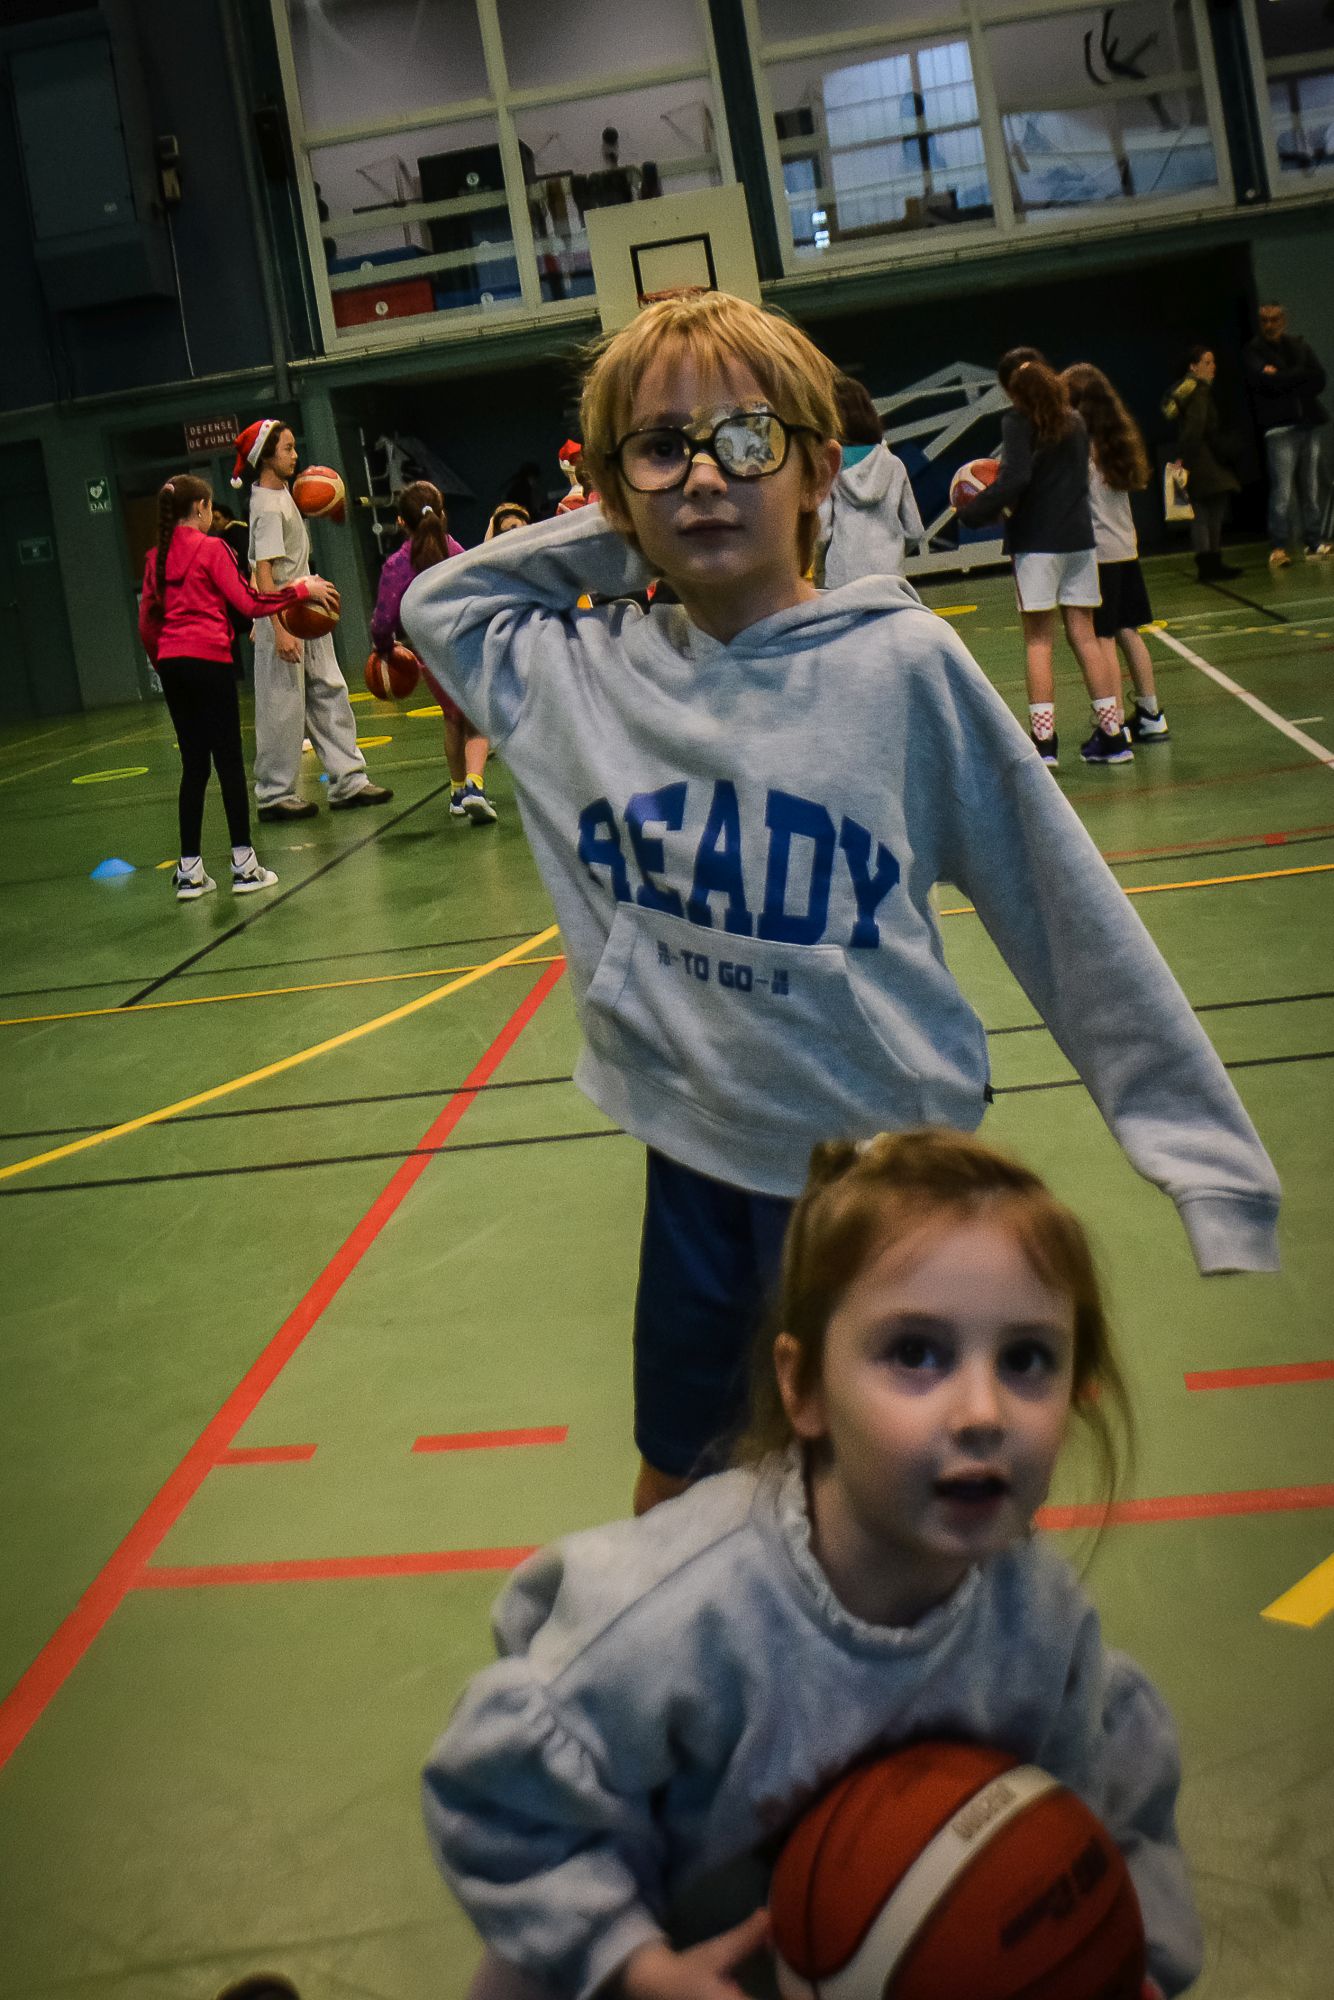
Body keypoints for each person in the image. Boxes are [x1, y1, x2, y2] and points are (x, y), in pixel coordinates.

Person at [402, 289, 1280, 1518]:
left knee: (898, 1492)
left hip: (884, 1171)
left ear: (818, 469)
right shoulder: (576, 681)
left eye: (745, 440)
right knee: (680, 1480)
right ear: (609, 488)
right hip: (696, 1160)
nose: (705, 474)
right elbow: (435, 607)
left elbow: (1063, 912)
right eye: (662, 448)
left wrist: (1206, 1164)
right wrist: (624, 528)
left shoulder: (902, 669)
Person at [424, 1127, 1201, 2000]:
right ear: (803, 1388)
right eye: (916, 1353)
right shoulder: (678, 1613)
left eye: (1027, 1359)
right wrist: (629, 1962)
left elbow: (1106, 1814)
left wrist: (1118, 1959)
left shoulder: (1041, 1622)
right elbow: (503, 1800)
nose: (983, 1412)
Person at [138, 474, 338, 901]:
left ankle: (190, 871)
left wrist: (167, 662)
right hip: (209, 661)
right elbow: (249, 603)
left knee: (194, 767)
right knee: (228, 762)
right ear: (201, 508)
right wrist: (299, 589)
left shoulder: (156, 557)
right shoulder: (214, 549)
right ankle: (244, 865)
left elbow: (147, 625)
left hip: (172, 665)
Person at [955, 347, 1131, 768]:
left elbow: (1016, 478)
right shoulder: (1076, 421)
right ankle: (1113, 736)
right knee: (1085, 636)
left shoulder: (1018, 421)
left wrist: (974, 512)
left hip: (1037, 543)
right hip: (1079, 542)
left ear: (1013, 391)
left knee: (1039, 641)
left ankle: (1044, 743)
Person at [233, 418, 393, 822]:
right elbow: (264, 573)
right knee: (282, 706)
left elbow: (264, 567)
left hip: (305, 610)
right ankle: (274, 794)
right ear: (266, 456)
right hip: (286, 616)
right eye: (287, 448)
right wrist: (278, 629)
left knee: (329, 692)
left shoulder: (281, 494)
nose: (295, 455)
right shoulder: (268, 507)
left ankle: (348, 780)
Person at [370, 481, 497, 825]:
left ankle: (457, 792)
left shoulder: (397, 565)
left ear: (401, 522)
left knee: (453, 718)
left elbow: (383, 621)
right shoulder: (455, 552)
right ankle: (474, 784)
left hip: (429, 653)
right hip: (467, 645)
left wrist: (386, 650)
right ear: (442, 515)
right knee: (477, 717)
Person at [1062, 364, 1169, 746]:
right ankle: (1151, 714)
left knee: (1101, 636)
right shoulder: (1117, 441)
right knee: (1128, 630)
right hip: (1125, 548)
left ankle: (1114, 724)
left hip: (1098, 555)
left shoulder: (1081, 449)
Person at [1242, 301, 1332, 567]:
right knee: (1282, 492)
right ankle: (1278, 547)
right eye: (1264, 320)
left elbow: (1319, 378)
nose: (1269, 325)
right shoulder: (1253, 351)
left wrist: (1283, 376)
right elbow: (1266, 383)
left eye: (1274, 319)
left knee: (1311, 488)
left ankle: (1314, 541)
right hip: (1279, 428)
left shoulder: (1299, 346)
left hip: (1308, 423)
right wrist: (1298, 376)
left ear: (1284, 320)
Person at [816, 372, 924, 587]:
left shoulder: (830, 467)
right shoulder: (894, 465)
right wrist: (892, 555)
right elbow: (915, 530)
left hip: (843, 580)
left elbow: (821, 532)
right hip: (891, 578)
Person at [1159, 348, 1243, 585]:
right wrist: (1185, 458)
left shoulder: (1184, 390)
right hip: (1203, 458)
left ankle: (1210, 563)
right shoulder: (1199, 391)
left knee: (1204, 512)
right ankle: (1210, 564)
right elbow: (1195, 428)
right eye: (1207, 362)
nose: (1212, 366)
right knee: (1208, 513)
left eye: (1213, 361)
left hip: (1197, 457)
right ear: (1193, 366)